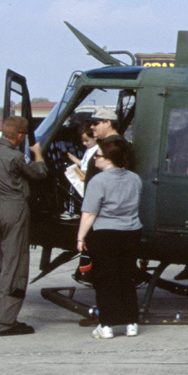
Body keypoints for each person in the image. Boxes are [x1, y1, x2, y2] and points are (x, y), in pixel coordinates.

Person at [0, 116, 48, 336]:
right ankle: (6, 322)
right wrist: (38, 153)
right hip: (13, 210)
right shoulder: (16, 157)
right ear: (19, 136)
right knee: (15, 266)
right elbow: (40, 174)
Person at [77, 139, 143, 339]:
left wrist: (80, 237)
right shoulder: (135, 179)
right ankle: (131, 322)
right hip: (131, 231)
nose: (94, 159)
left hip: (105, 233)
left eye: (97, 156)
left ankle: (107, 324)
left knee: (105, 280)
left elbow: (89, 213)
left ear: (107, 159)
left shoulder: (98, 181)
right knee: (127, 277)